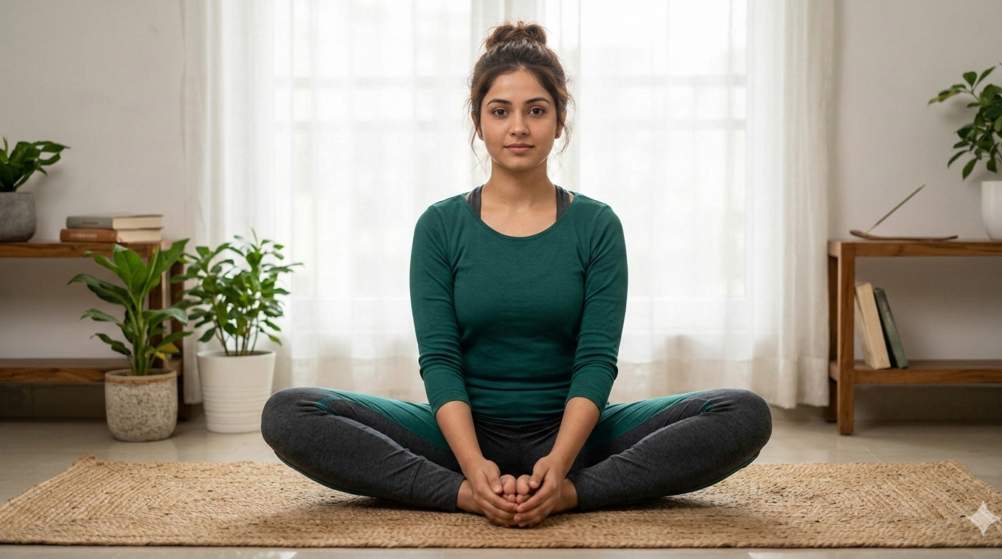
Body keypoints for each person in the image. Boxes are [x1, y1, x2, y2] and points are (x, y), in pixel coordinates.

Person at [262, 21, 773, 529]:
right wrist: (470, 468)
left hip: (576, 434)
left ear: (560, 119)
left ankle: (569, 494)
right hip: (460, 436)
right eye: (500, 111)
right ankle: (465, 495)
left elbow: (596, 361)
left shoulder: (597, 225)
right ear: (478, 121)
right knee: (289, 412)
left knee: (743, 413)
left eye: (536, 110)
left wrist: (561, 463)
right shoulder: (440, 226)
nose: (519, 127)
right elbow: (439, 361)